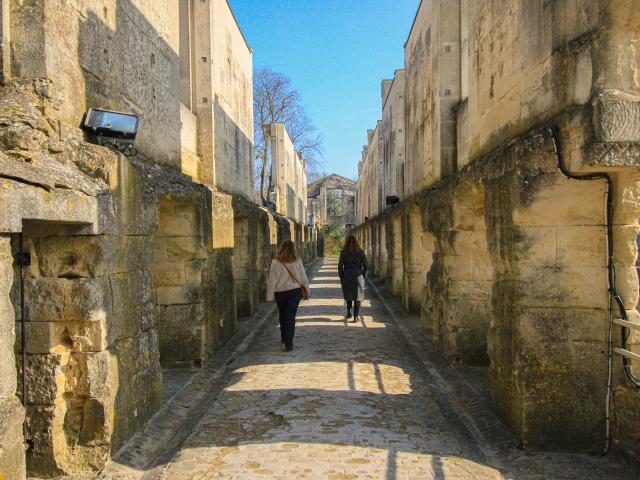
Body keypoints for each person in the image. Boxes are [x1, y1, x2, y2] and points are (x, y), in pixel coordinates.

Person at [266, 240, 310, 351]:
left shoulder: (275, 262)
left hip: (280, 292)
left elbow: (271, 280)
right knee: (290, 316)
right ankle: (289, 342)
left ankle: (284, 337)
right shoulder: (297, 260)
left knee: (282, 314)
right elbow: (303, 277)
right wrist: (307, 291)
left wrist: (269, 297)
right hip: (294, 292)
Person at [338, 235, 368, 322]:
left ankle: (349, 312)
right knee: (358, 296)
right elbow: (366, 265)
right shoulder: (360, 252)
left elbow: (340, 265)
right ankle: (356, 317)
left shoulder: (344, 252)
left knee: (348, 294)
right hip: (358, 275)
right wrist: (363, 275)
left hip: (347, 274)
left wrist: (341, 275)